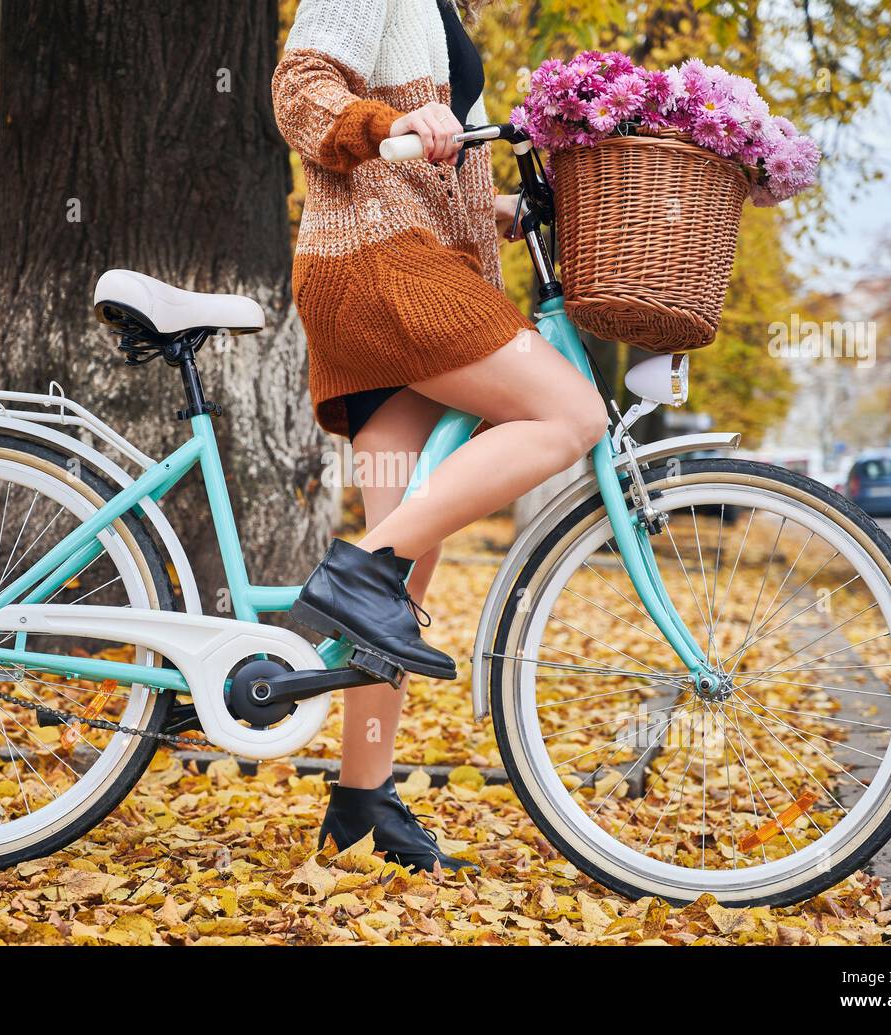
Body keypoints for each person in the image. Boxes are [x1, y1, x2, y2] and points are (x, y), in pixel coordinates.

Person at [272, 0, 607, 872]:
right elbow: (300, 90)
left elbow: (416, 155)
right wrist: (391, 120)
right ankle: (355, 572)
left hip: (405, 261)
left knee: (407, 561)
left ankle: (359, 806)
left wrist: (493, 204)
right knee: (572, 413)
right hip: (383, 272)